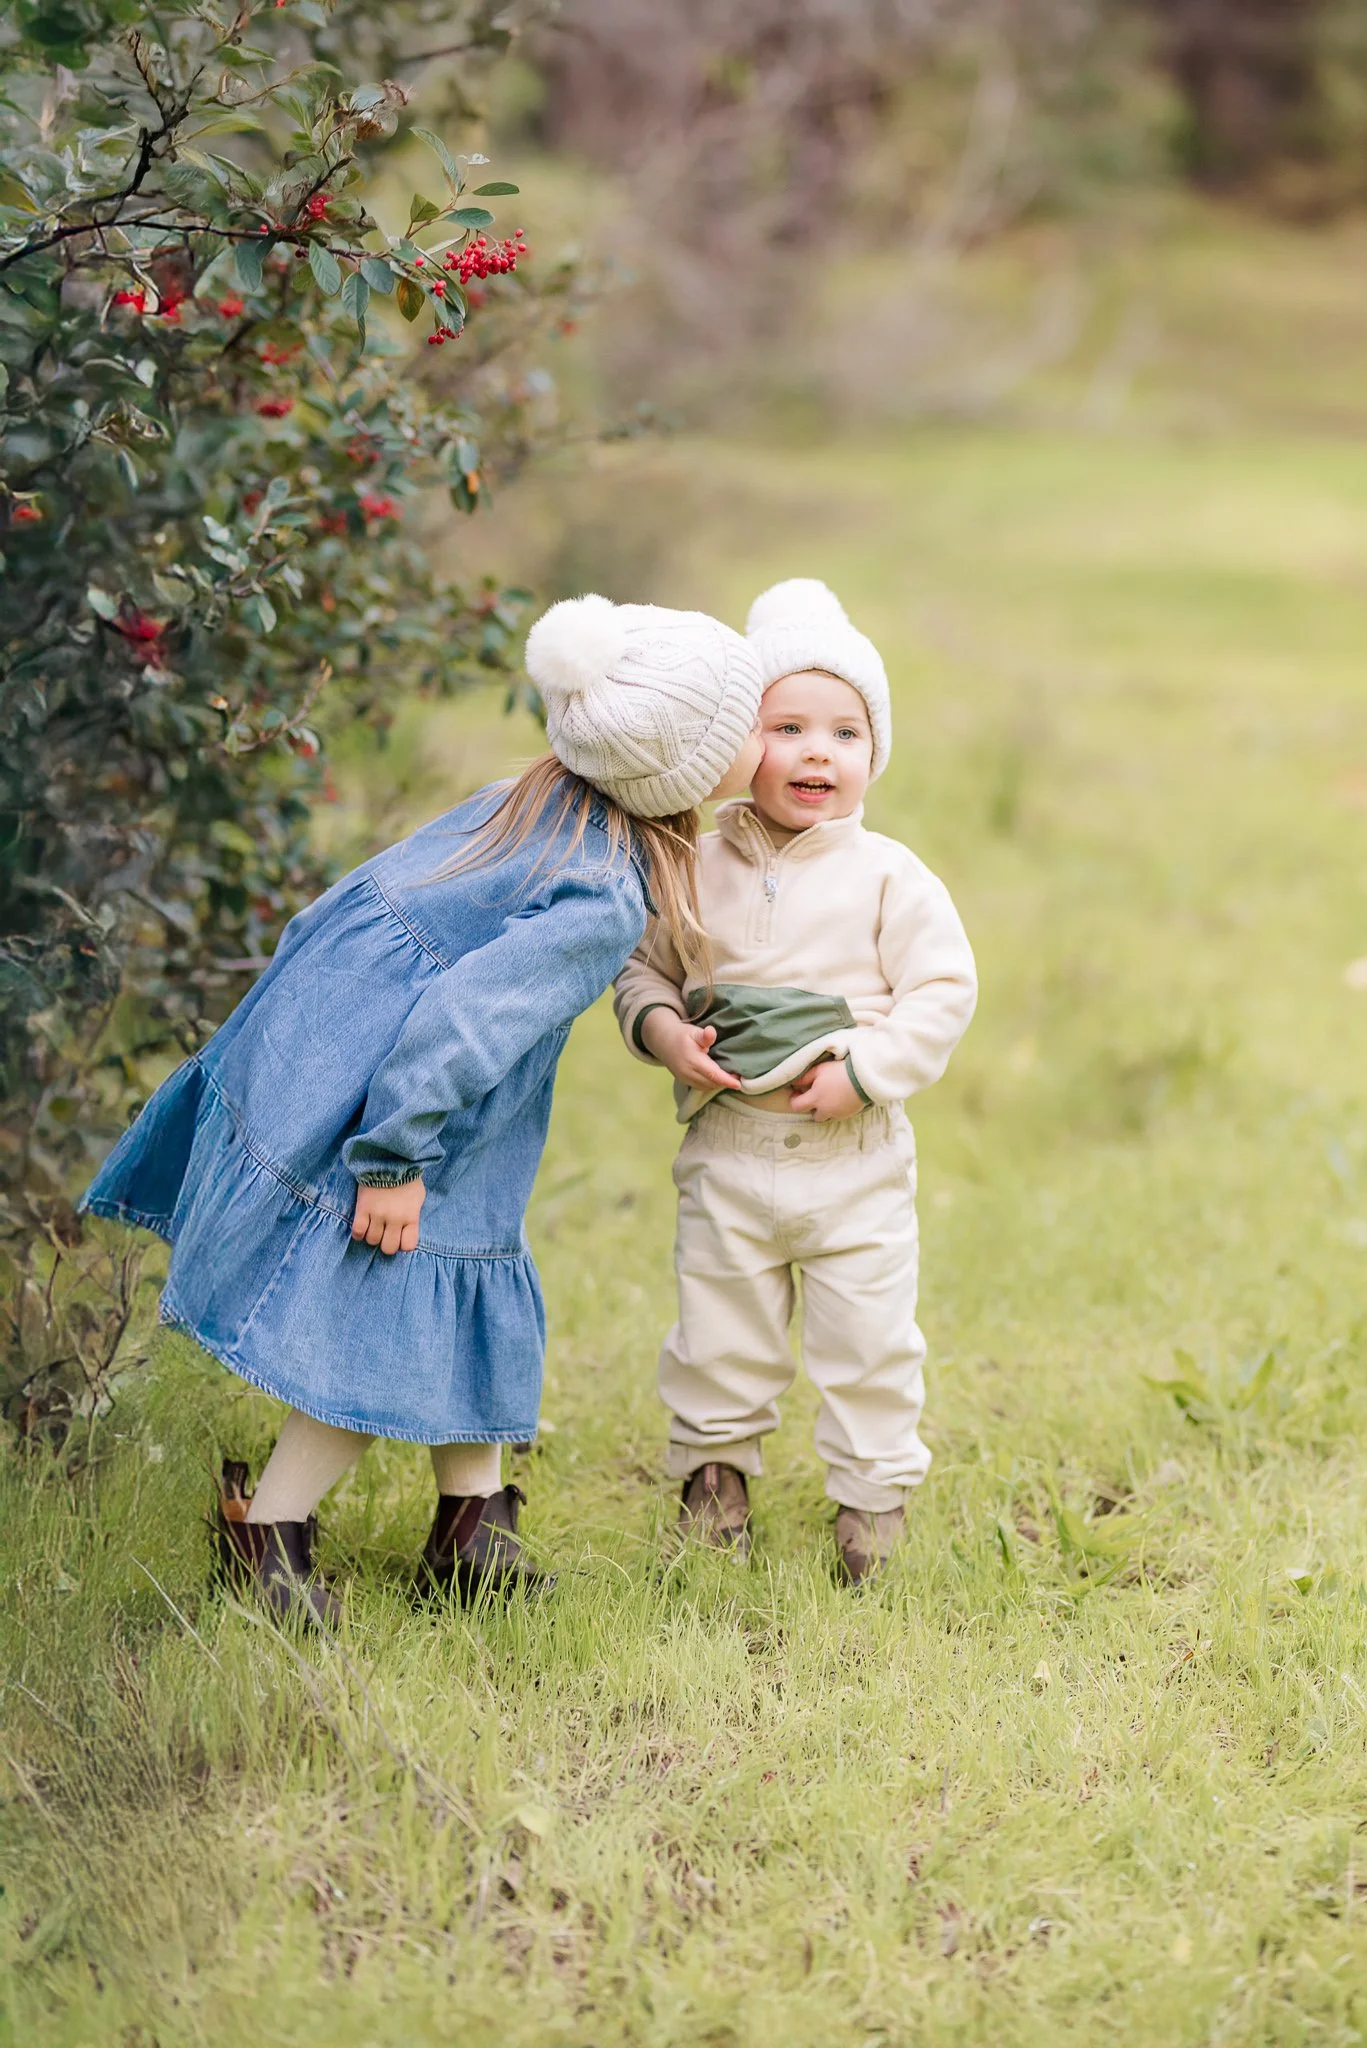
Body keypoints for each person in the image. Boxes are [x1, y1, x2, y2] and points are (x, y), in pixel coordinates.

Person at [83, 594, 763, 1624]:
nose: (763, 739)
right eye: (747, 725)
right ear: (682, 767)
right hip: (405, 1100)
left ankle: (471, 1527)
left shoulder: (534, 801)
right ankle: (265, 1544)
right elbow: (461, 1024)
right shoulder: (600, 893)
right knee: (376, 1325)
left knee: (465, 1284)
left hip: (340, 1042)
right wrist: (393, 1158)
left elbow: (348, 903)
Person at [613, 579, 977, 1583]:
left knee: (866, 1340)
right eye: (786, 725)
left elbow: (942, 987)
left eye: (844, 731)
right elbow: (640, 965)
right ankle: (714, 1476)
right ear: (739, 741)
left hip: (850, 1161)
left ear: (872, 751)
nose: (817, 751)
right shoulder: (690, 862)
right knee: (717, 1330)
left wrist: (866, 1068)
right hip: (727, 1152)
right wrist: (660, 1029)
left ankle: (870, 1501)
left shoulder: (888, 876)